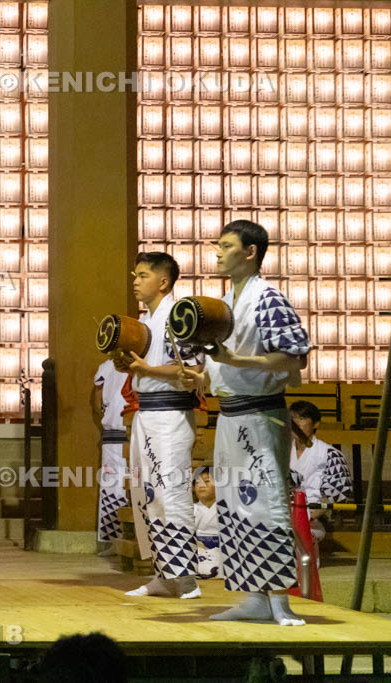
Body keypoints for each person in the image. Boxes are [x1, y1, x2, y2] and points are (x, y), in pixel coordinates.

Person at [181, 220, 312, 626]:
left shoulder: (267, 297)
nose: (217, 253)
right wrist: (203, 378)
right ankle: (255, 598)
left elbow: (295, 356)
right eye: (217, 246)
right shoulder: (223, 302)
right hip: (230, 416)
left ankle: (280, 601)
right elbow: (224, 364)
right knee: (234, 506)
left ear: (250, 252)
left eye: (226, 246)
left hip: (260, 415)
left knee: (267, 504)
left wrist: (238, 362)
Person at [122, 252, 202, 600]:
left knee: (171, 493)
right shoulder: (146, 321)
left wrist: (146, 370)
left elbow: (192, 369)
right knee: (146, 495)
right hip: (146, 414)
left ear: (163, 282)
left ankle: (186, 580)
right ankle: (163, 574)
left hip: (171, 414)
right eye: (135, 275)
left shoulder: (179, 315)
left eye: (142, 275)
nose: (135, 281)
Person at [288, 400, 352, 545]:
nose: (296, 423)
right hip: (282, 514)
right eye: (292, 419)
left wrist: (309, 516)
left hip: (312, 517)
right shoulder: (280, 452)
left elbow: (337, 492)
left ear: (316, 423)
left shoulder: (330, 454)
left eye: (302, 418)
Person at [92, 359, 129, 555]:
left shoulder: (141, 362)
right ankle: (113, 542)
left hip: (133, 431)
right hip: (112, 433)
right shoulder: (105, 367)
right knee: (111, 487)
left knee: (133, 488)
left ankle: (132, 540)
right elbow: (98, 403)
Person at [192, 467, 220, 579]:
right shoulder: (190, 510)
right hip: (198, 553)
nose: (202, 485)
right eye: (197, 482)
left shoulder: (226, 510)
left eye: (207, 481)